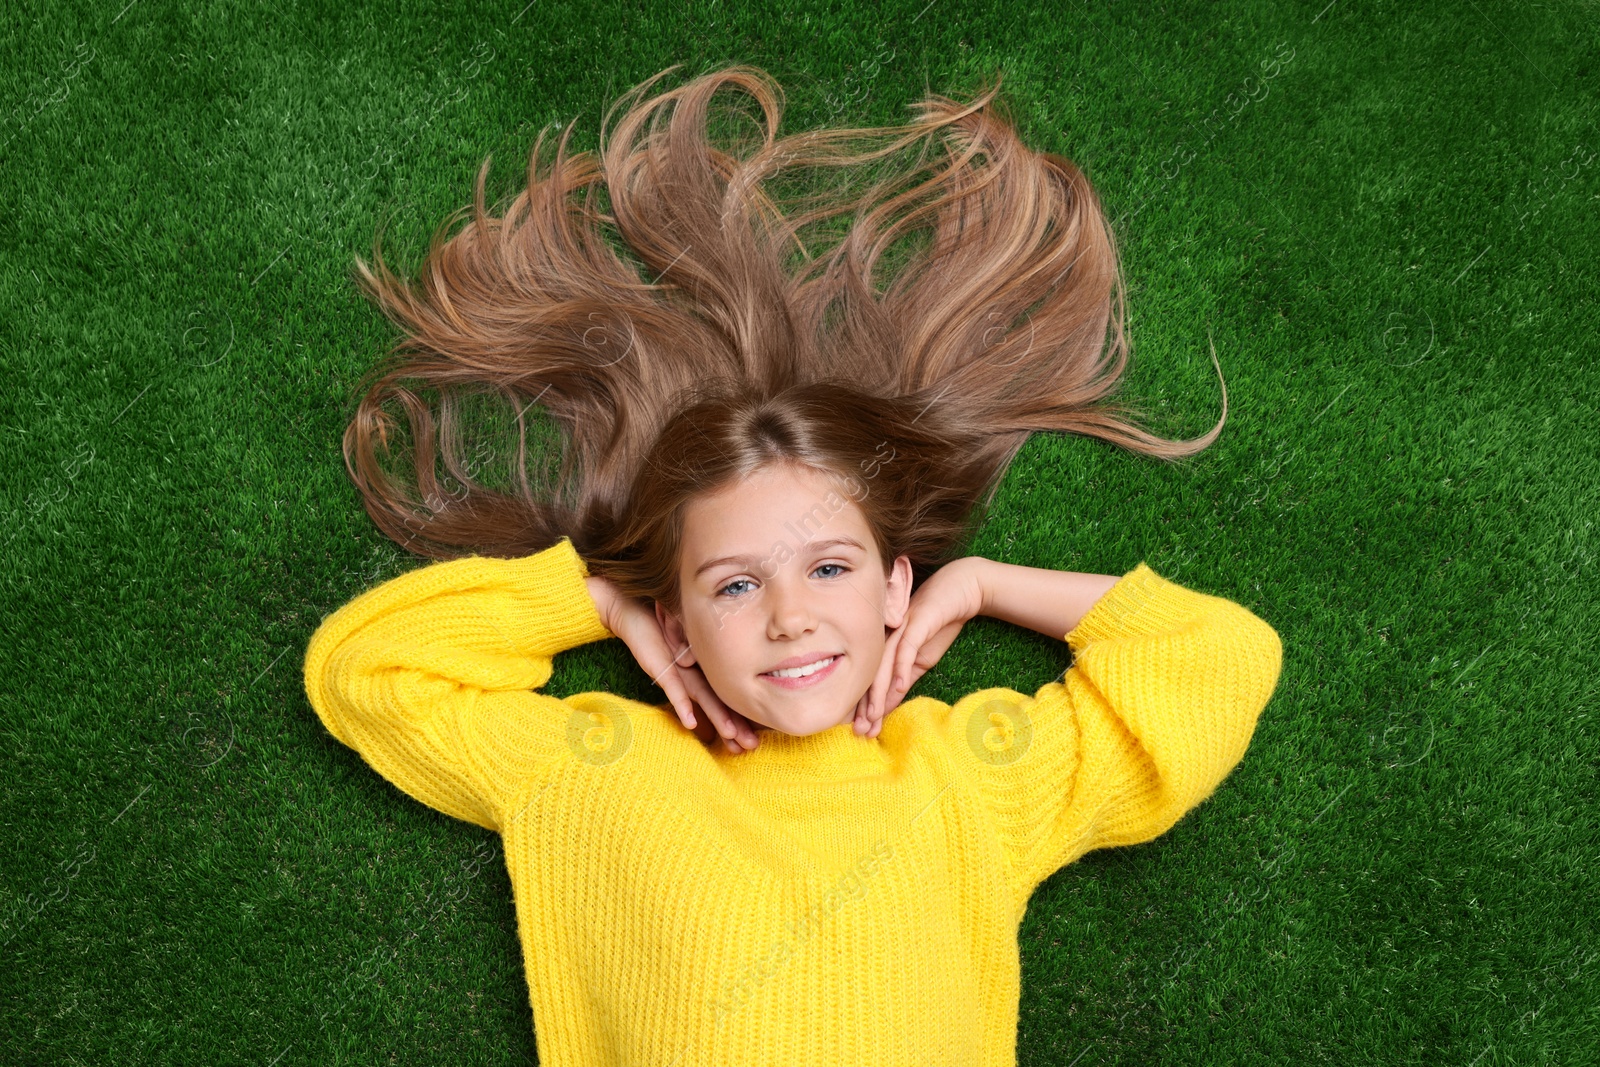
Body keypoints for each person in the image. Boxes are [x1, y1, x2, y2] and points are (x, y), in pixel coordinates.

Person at [303, 63, 1283, 1066]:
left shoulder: (972, 775)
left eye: (829, 569)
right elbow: (367, 672)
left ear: (894, 586)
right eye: (734, 583)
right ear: (678, 624)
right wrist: (598, 602)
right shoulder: (594, 765)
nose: (788, 616)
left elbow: (1214, 659)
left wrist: (983, 581)